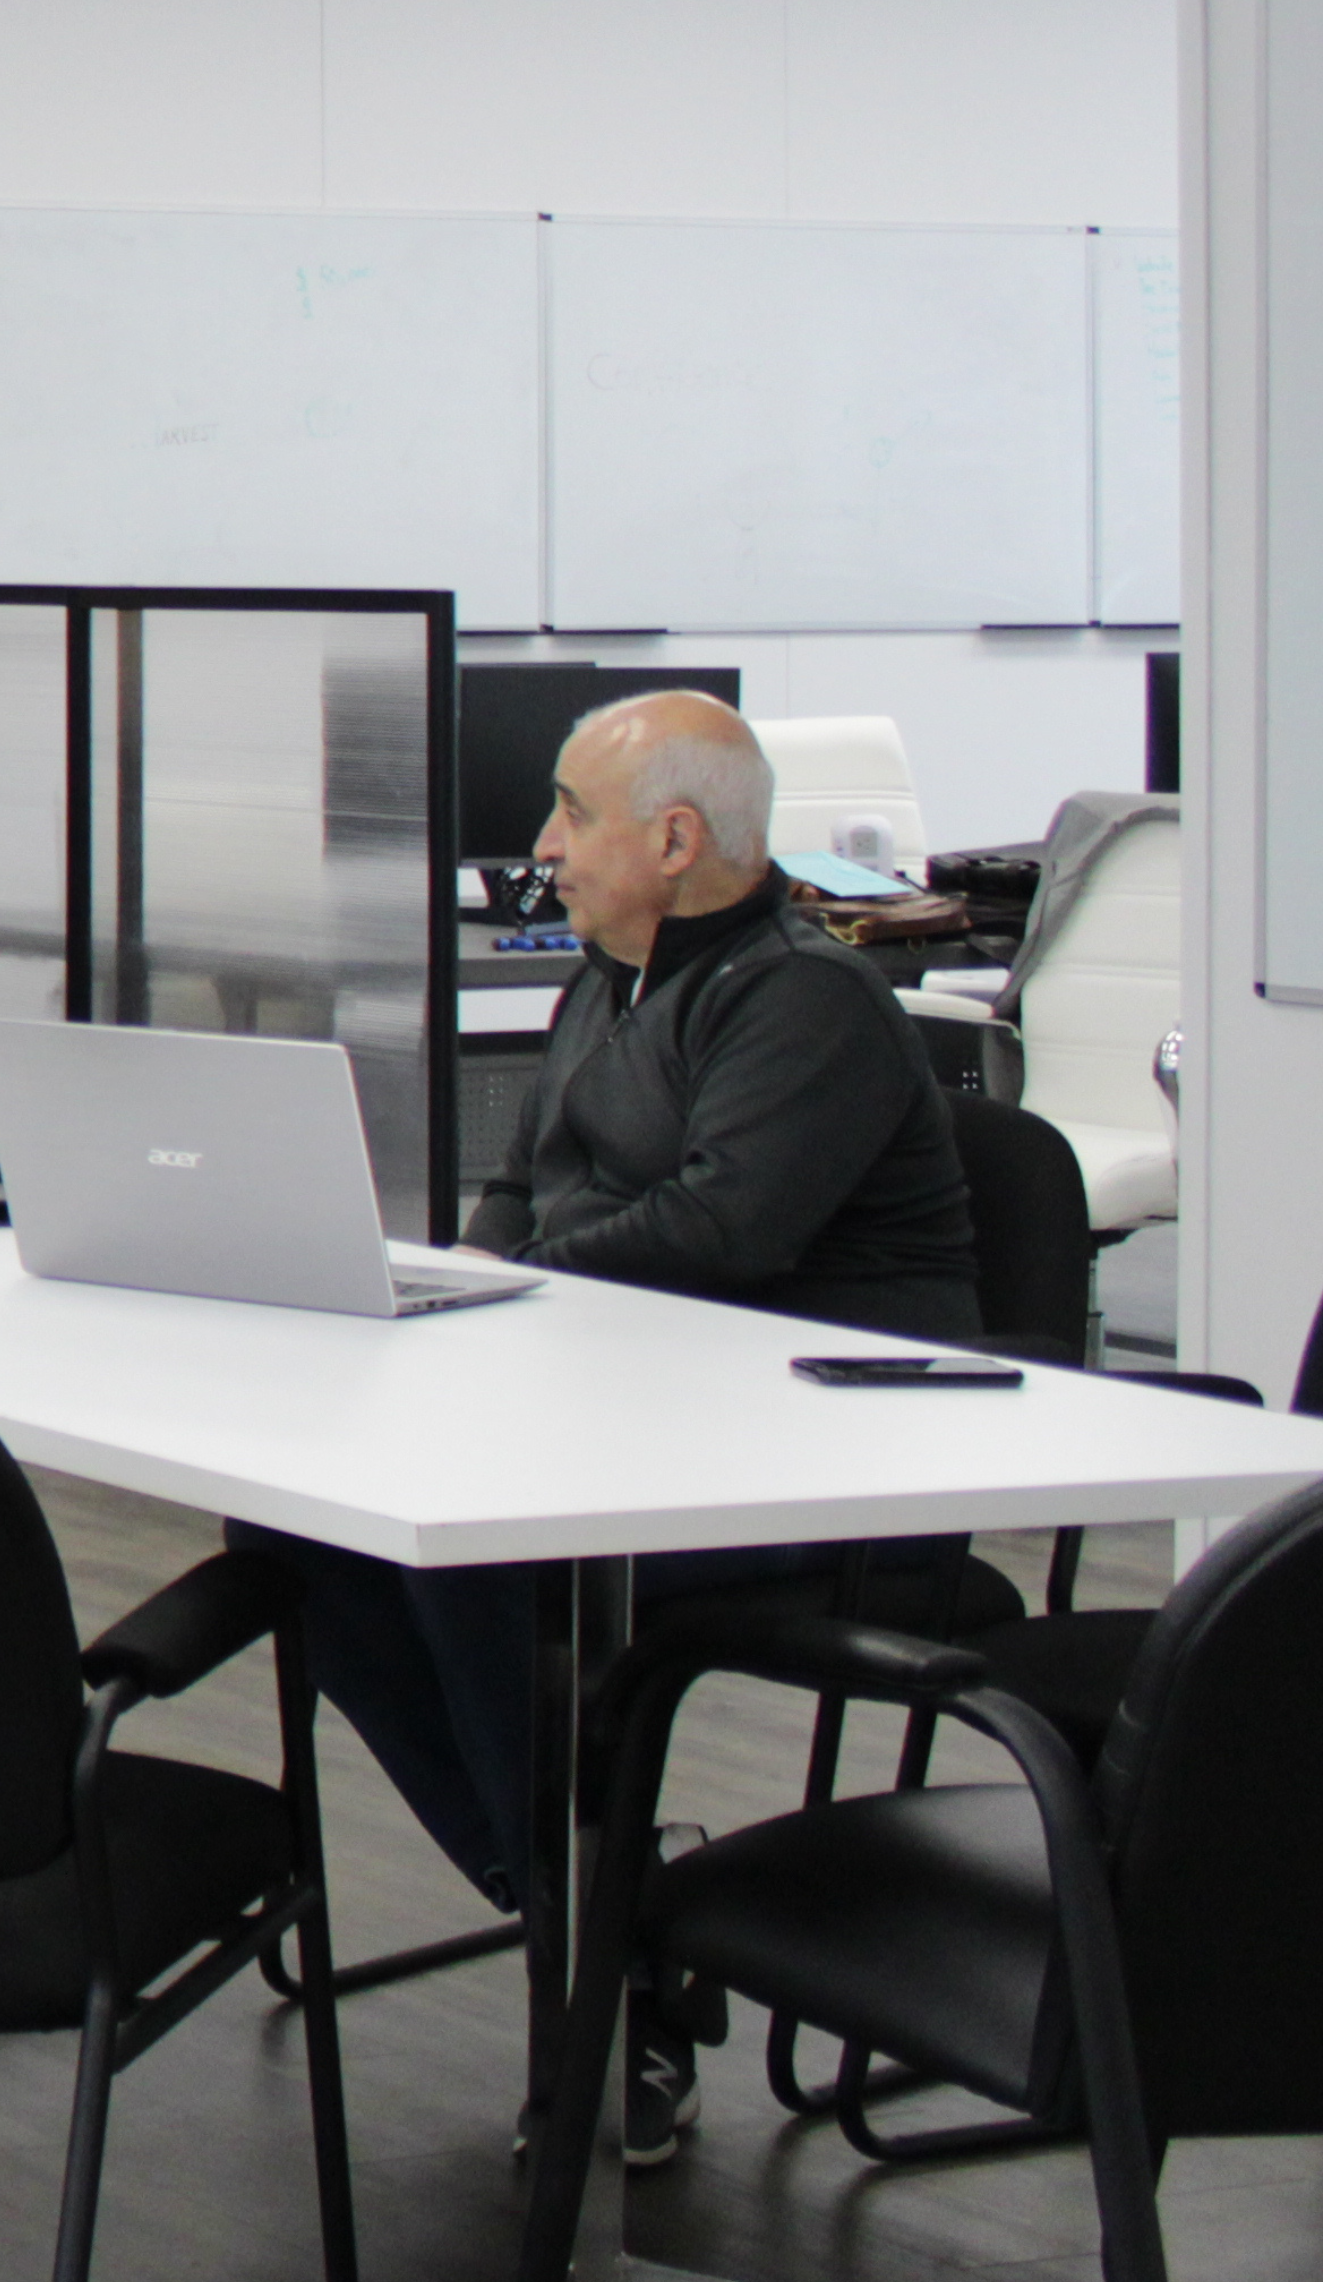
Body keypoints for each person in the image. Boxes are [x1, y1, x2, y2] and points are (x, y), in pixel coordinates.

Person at [226, 690, 978, 2159]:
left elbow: (718, 1229)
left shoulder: (801, 995)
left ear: (675, 836)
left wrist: (490, 1292)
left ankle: (597, 1951)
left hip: (819, 1465)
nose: (541, 844)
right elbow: (523, 1188)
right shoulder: (604, 979)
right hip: (636, 1427)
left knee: (476, 1560)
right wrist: (462, 1278)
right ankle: (605, 1917)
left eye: (571, 812)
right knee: (298, 1530)